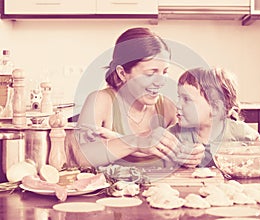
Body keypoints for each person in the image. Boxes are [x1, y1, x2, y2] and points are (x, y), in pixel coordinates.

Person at [68, 27, 204, 169]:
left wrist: (190, 155)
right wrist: (137, 141)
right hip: (112, 190)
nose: (161, 81)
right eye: (150, 73)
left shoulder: (167, 108)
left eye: (165, 72)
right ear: (122, 73)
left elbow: (181, 150)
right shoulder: (101, 101)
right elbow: (79, 158)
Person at [169, 67, 260, 167]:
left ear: (215, 108)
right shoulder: (174, 135)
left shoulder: (239, 132)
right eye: (179, 97)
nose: (178, 105)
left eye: (186, 99)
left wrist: (248, 158)